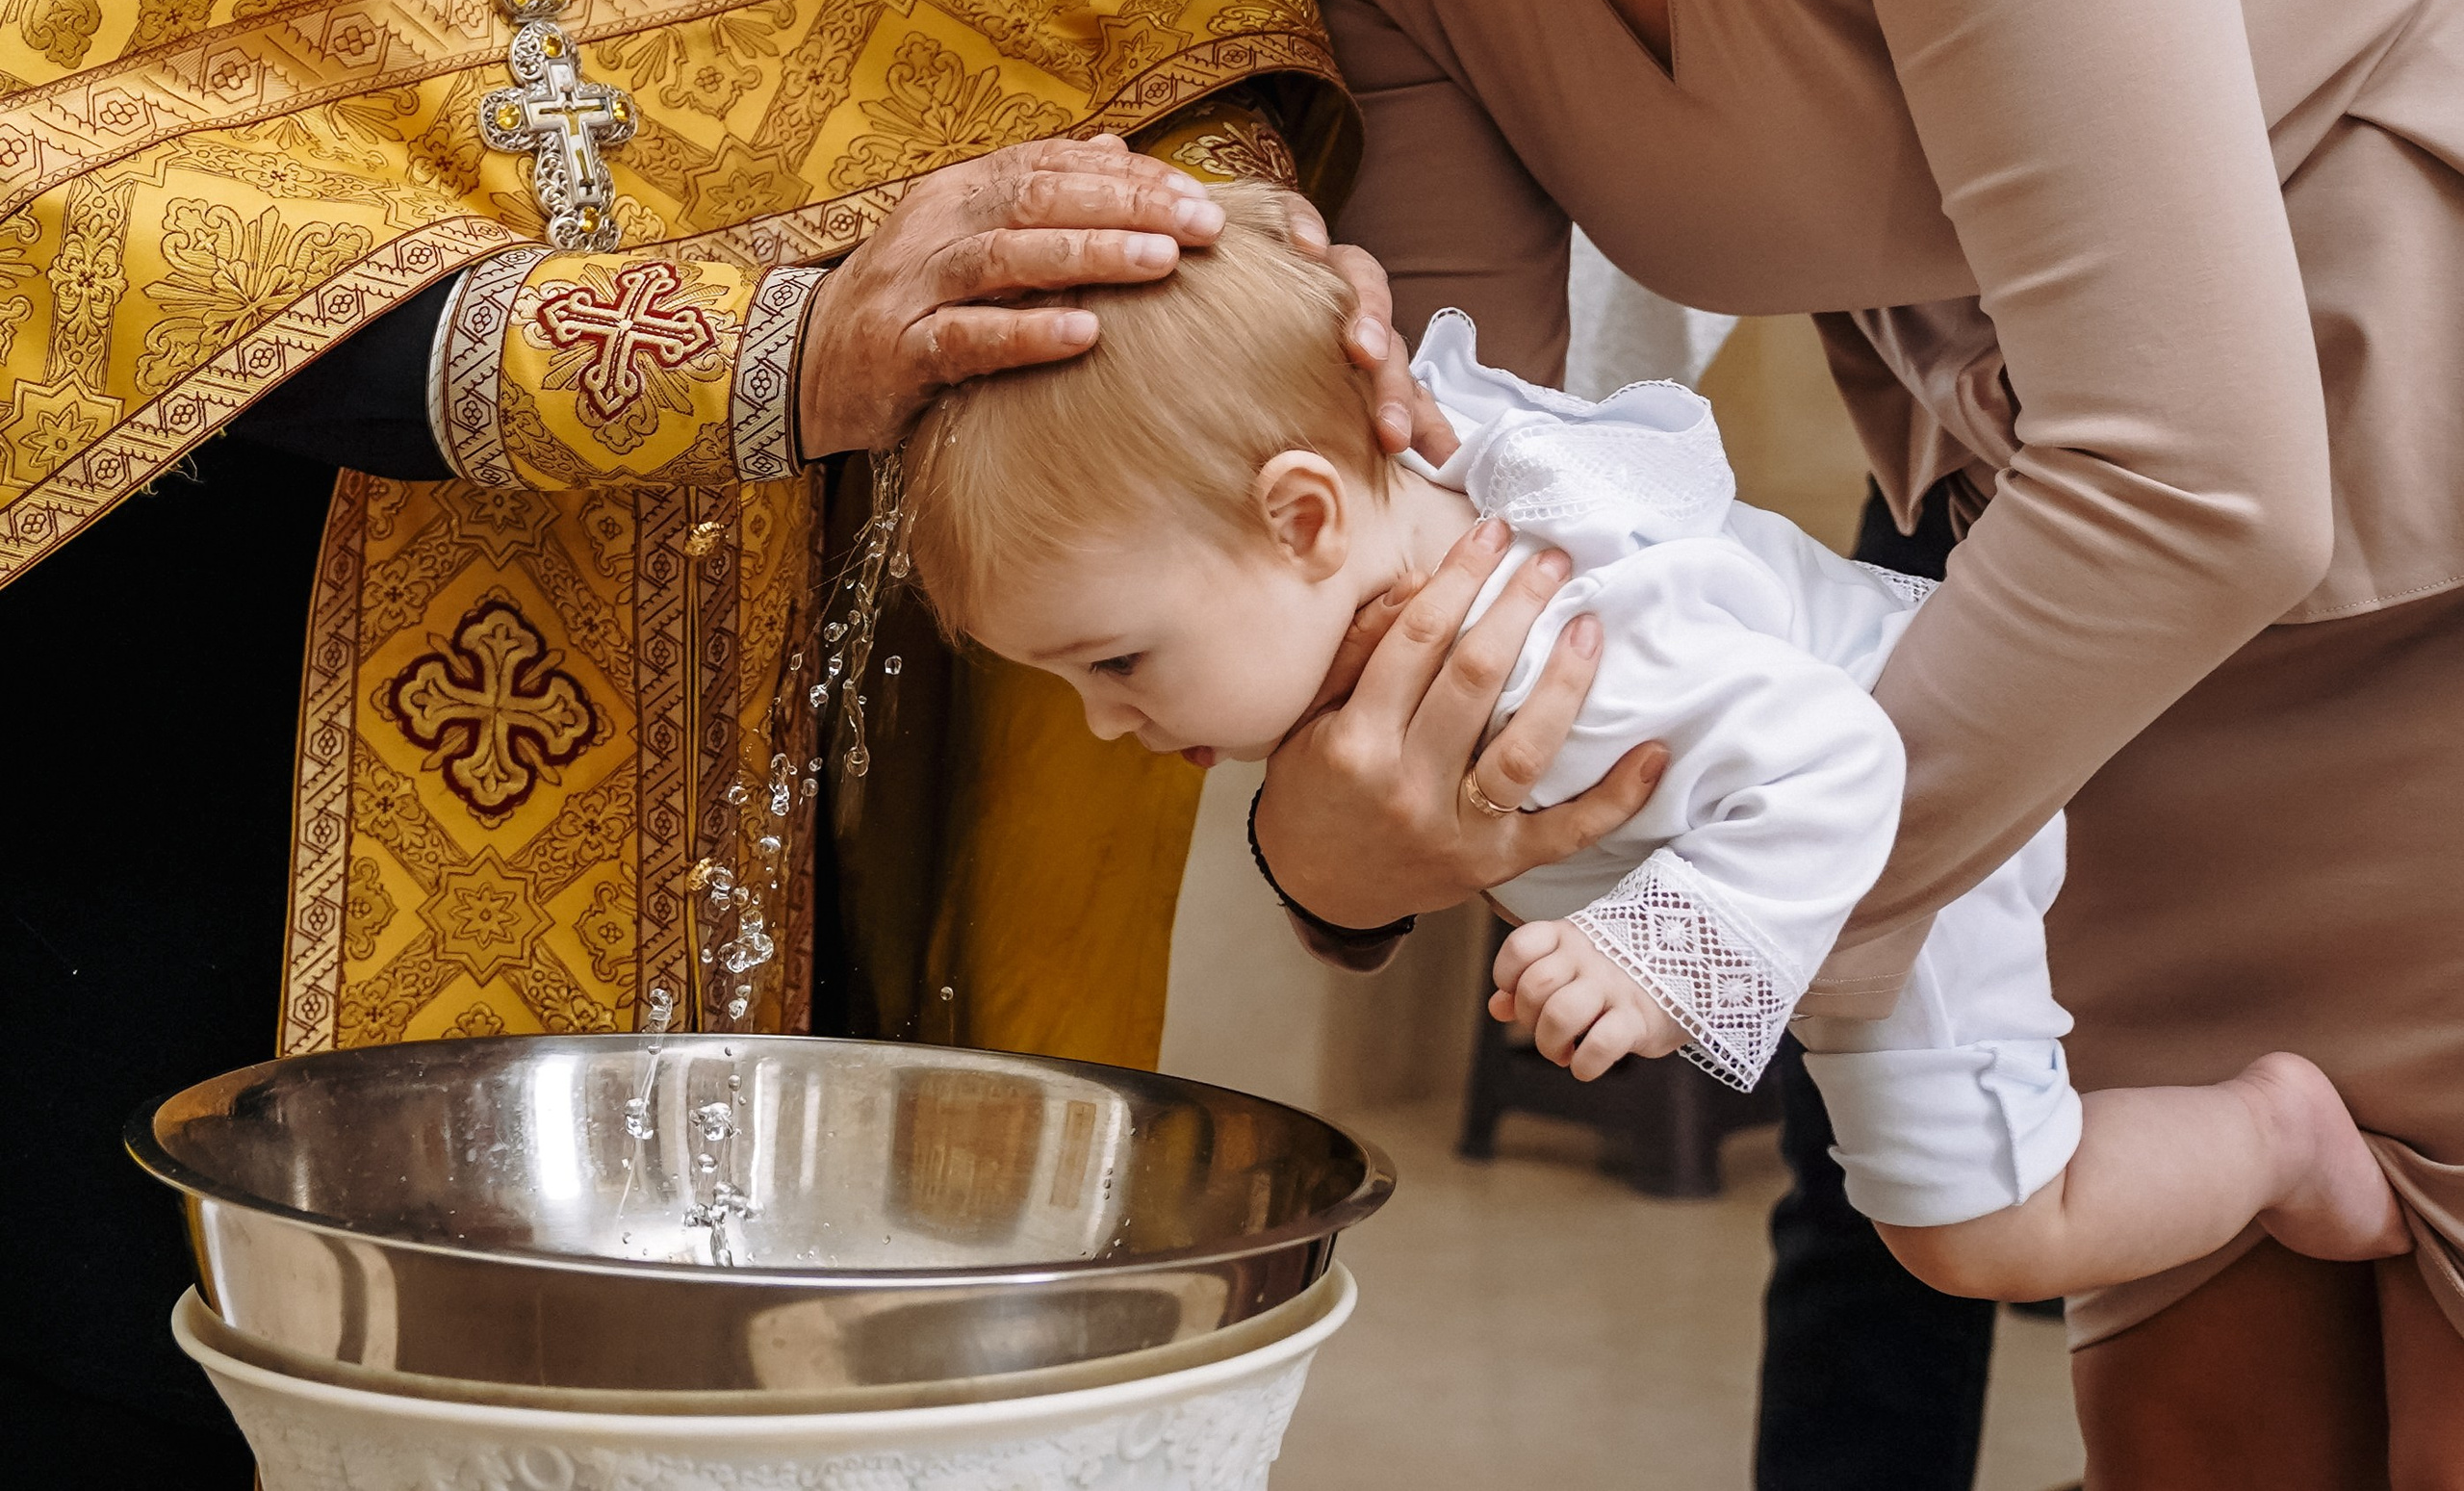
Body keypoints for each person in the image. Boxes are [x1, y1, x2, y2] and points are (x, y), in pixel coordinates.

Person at [0, 0, 1517, 1481]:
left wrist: (1194, 238)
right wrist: (755, 353)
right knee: (140, 1361)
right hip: (178, 726)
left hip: (809, 741)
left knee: (781, 1353)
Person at [1242, 0, 2464, 1479]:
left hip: (2396, 590)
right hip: (2088, 701)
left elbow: (2202, 483)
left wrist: (1761, 907)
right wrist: (1328, 844)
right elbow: (1463, 549)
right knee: (2212, 1437)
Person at [897, 179, 2407, 1309]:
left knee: (1986, 1238)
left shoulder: (1558, 654)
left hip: (1921, 807)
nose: (1107, 718)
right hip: (1818, 775)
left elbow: (1846, 759)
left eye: (1116, 661)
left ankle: (2276, 1139)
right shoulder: (1412, 510)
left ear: (1302, 517)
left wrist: (1665, 955)